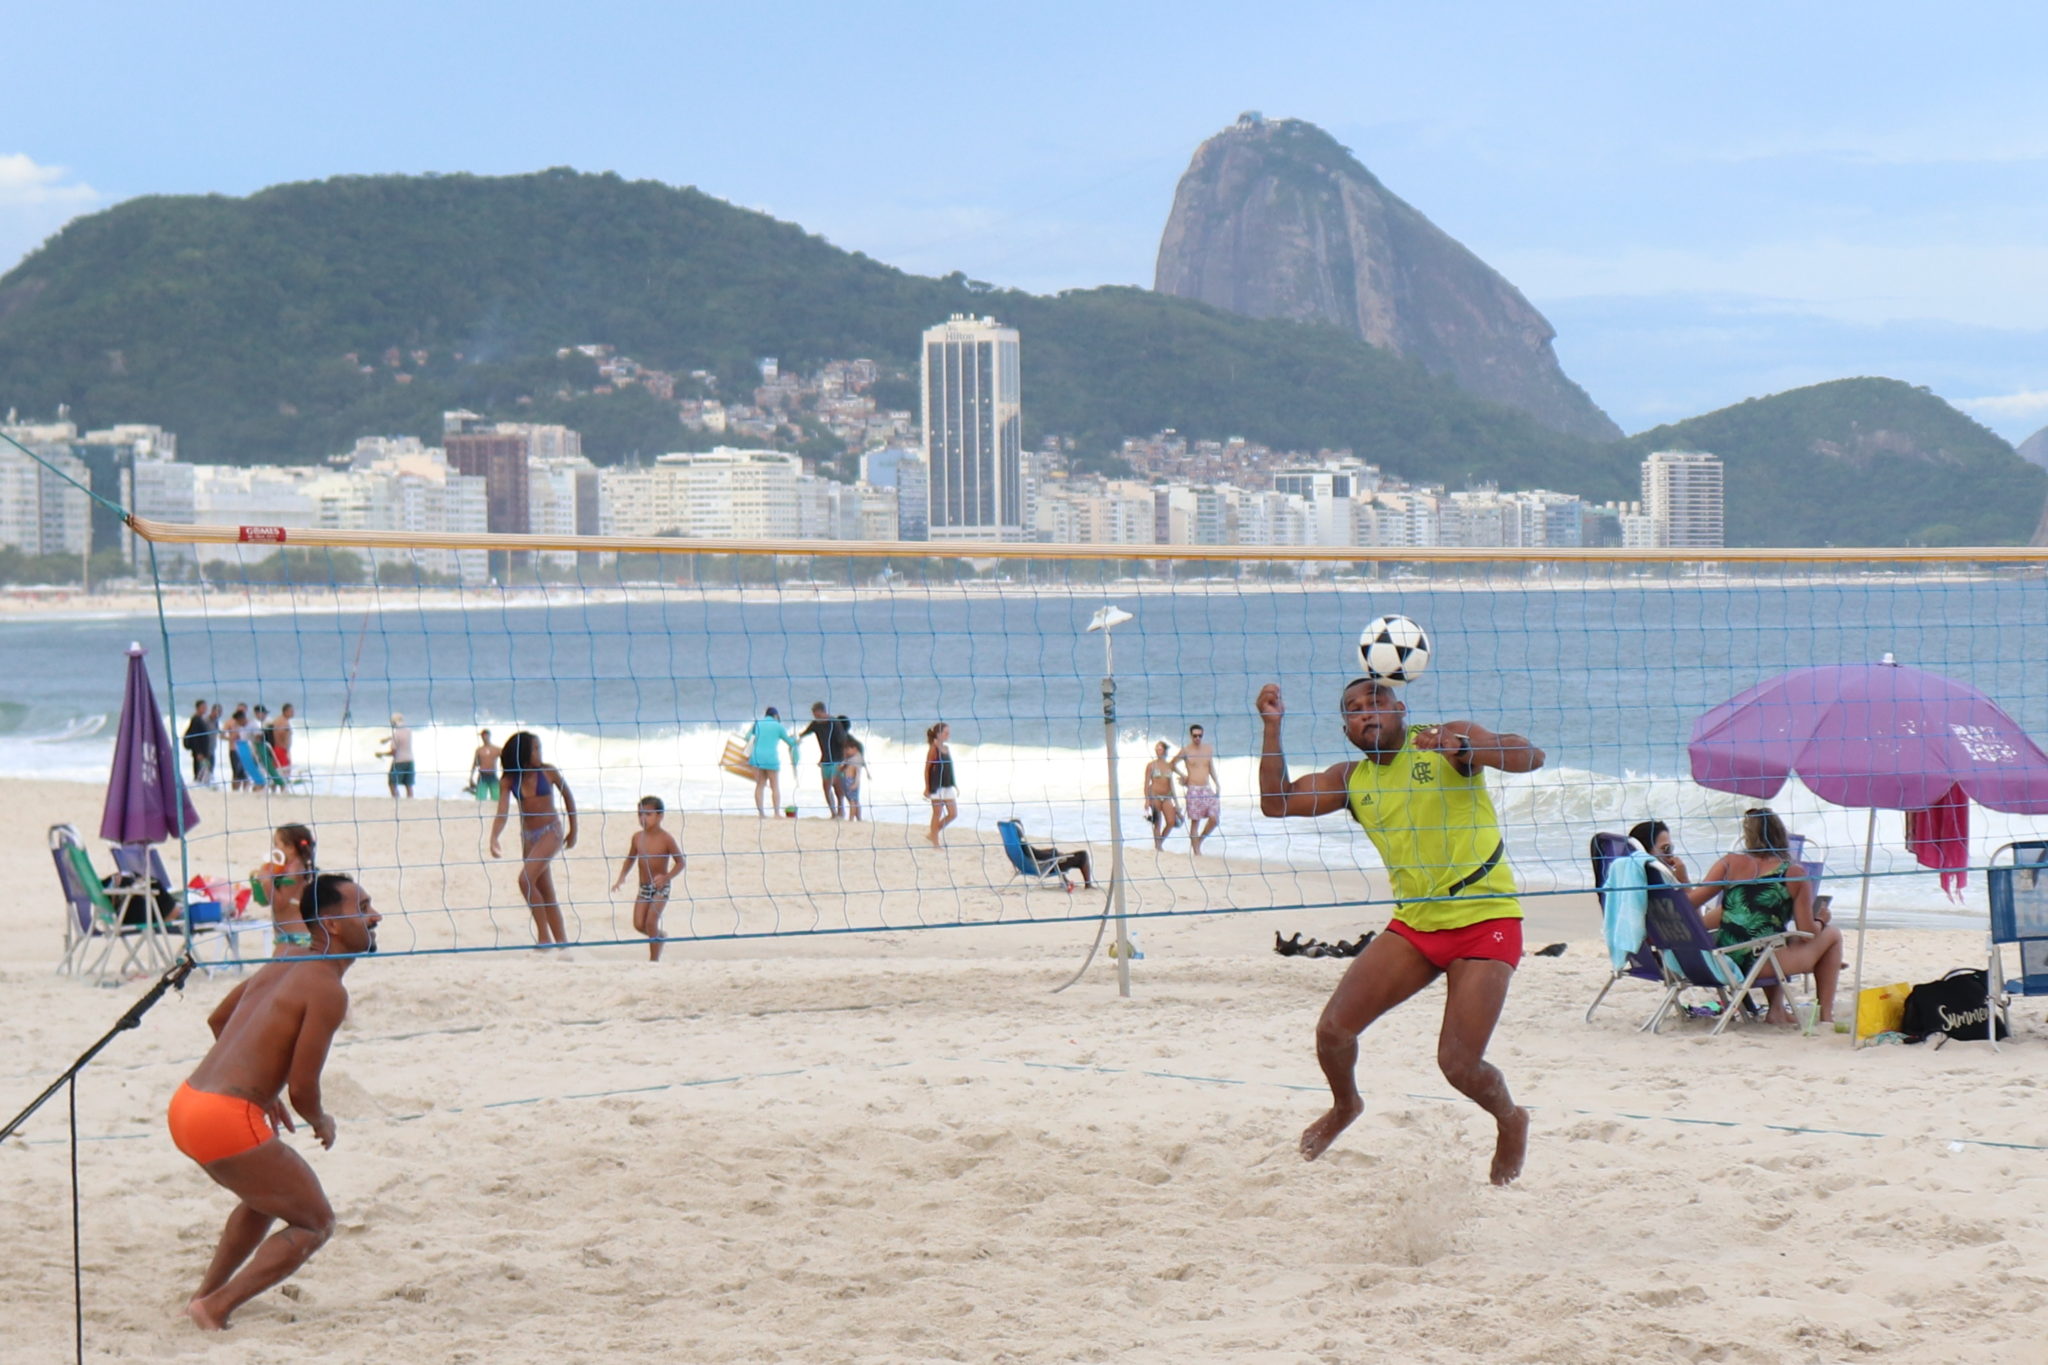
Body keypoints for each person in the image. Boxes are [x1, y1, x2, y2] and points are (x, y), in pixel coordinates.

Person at [1256, 676, 1543, 1186]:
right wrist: (1272, 728)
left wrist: (1469, 746)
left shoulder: (1445, 743)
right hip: (1416, 923)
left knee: (1458, 1064)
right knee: (1332, 1032)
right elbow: (1277, 802)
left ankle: (1510, 1118)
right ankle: (1346, 1105)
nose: (1367, 712)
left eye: (1377, 702)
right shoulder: (1352, 780)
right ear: (1346, 726)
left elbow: (1530, 755)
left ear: (1400, 709)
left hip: (1486, 918)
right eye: (1355, 709)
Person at [168, 871, 380, 1331]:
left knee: (265, 1197)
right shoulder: (328, 990)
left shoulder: (285, 956)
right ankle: (215, 1308)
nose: (375, 915)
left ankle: (204, 1297)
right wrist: (318, 1119)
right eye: (363, 908)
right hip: (223, 1118)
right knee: (315, 1223)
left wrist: (260, 1092)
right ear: (333, 924)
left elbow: (219, 1019)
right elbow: (305, 1088)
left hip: (188, 1103)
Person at [1685, 807, 1845, 1025]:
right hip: (1760, 964)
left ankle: (1777, 1010)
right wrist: (1821, 920)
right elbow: (1807, 932)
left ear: (1748, 836)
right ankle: (1826, 1015)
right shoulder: (1794, 873)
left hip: (1726, 960)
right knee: (1832, 935)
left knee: (1771, 935)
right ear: (1781, 834)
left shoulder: (1728, 863)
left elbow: (1689, 904)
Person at [490, 730, 578, 946]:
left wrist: (573, 830)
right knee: (546, 893)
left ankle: (544, 938)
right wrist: (494, 837)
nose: (540, 752)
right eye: (536, 748)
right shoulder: (509, 780)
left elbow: (568, 797)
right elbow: (502, 812)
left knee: (525, 880)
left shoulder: (548, 772)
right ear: (523, 753)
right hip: (529, 838)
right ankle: (562, 944)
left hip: (551, 831)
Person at [612, 796, 684, 961]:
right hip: (644, 888)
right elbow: (630, 858)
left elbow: (680, 862)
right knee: (639, 924)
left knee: (651, 921)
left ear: (660, 816)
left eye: (648, 814)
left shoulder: (666, 838)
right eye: (640, 814)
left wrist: (666, 877)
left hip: (660, 887)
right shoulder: (637, 837)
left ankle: (654, 960)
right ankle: (659, 936)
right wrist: (621, 877)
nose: (643, 818)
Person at [248, 823, 318, 954]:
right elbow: (267, 900)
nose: (274, 848)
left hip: (297, 938)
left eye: (276, 844)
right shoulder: (288, 868)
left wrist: (267, 881)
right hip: (287, 936)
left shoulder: (294, 871)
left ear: (291, 848)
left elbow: (279, 903)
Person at [1172, 723, 1220, 854]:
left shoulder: (1208, 749)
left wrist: (1217, 784)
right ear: (1191, 736)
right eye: (1195, 736)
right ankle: (1197, 852)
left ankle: (1199, 840)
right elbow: (1172, 764)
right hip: (1193, 789)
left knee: (1215, 819)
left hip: (1206, 788)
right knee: (1195, 822)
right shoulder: (1186, 750)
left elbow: (1211, 767)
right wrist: (1183, 777)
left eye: (1200, 736)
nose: (1197, 738)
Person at [800, 702, 854, 818]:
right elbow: (805, 733)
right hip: (825, 761)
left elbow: (843, 741)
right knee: (826, 787)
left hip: (837, 760)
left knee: (837, 787)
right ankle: (833, 813)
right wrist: (797, 739)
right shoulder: (815, 724)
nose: (816, 717)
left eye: (817, 715)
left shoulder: (835, 723)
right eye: (814, 715)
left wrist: (845, 760)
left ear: (822, 712)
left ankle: (841, 811)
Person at [744, 707, 800, 818]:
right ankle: (776, 813)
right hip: (771, 759)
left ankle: (761, 813)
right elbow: (790, 742)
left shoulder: (758, 724)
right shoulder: (778, 726)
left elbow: (747, 737)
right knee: (775, 786)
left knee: (760, 785)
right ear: (776, 716)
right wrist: (796, 740)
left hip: (756, 758)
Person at [1143, 740, 1182, 850]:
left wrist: (1177, 802)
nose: (1157, 750)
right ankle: (1158, 847)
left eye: (1160, 748)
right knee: (1157, 822)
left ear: (1165, 750)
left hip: (1167, 796)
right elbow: (1146, 783)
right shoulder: (1151, 765)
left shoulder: (1169, 765)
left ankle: (1160, 842)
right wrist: (1146, 800)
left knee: (1171, 821)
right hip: (1154, 795)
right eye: (1156, 748)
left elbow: (1173, 783)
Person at [924, 722, 958, 847]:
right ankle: (935, 843)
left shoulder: (947, 748)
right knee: (937, 813)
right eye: (946, 733)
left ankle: (932, 833)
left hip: (947, 785)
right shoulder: (933, 749)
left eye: (948, 733)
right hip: (936, 786)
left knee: (953, 813)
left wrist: (954, 784)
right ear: (938, 734)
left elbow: (949, 768)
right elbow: (927, 769)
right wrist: (927, 788)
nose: (948, 735)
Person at [1629, 819, 1689, 884]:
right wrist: (1683, 880)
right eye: (1667, 849)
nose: (1672, 856)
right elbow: (1687, 894)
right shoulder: (1654, 884)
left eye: (1671, 849)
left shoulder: (1629, 877)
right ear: (1645, 852)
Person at [377, 713, 415, 798]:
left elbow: (393, 752)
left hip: (399, 762)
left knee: (392, 783)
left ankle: (396, 798)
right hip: (410, 760)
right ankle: (410, 800)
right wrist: (388, 739)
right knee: (408, 784)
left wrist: (381, 754)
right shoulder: (408, 731)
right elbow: (402, 736)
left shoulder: (396, 734)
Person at [184, 699, 215, 785]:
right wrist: (198, 752)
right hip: (199, 752)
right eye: (203, 707)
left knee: (205, 770)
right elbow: (195, 737)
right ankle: (198, 785)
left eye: (206, 707)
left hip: (203, 751)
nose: (205, 709)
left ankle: (203, 784)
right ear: (198, 708)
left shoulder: (201, 719)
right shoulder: (196, 719)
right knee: (199, 770)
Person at [467, 729, 502, 802]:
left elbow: (505, 761)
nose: (484, 737)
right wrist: (471, 777)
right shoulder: (479, 750)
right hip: (482, 776)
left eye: (485, 735)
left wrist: (505, 774)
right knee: (480, 799)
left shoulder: (497, 749)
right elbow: (475, 764)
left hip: (493, 775)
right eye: (482, 736)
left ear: (489, 736)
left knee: (497, 798)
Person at [839, 739, 866, 821]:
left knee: (853, 801)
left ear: (855, 749)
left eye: (848, 749)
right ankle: (858, 818)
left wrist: (856, 783)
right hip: (847, 780)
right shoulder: (850, 758)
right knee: (854, 800)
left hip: (852, 781)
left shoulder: (857, 759)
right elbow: (841, 768)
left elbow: (858, 773)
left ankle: (851, 818)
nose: (846, 751)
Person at [272, 703, 295, 772]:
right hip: (281, 750)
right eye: (291, 711)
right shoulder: (283, 721)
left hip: (279, 749)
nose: (293, 713)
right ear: (286, 711)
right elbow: (281, 733)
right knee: (284, 772)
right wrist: (286, 749)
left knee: (281, 771)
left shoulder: (280, 719)